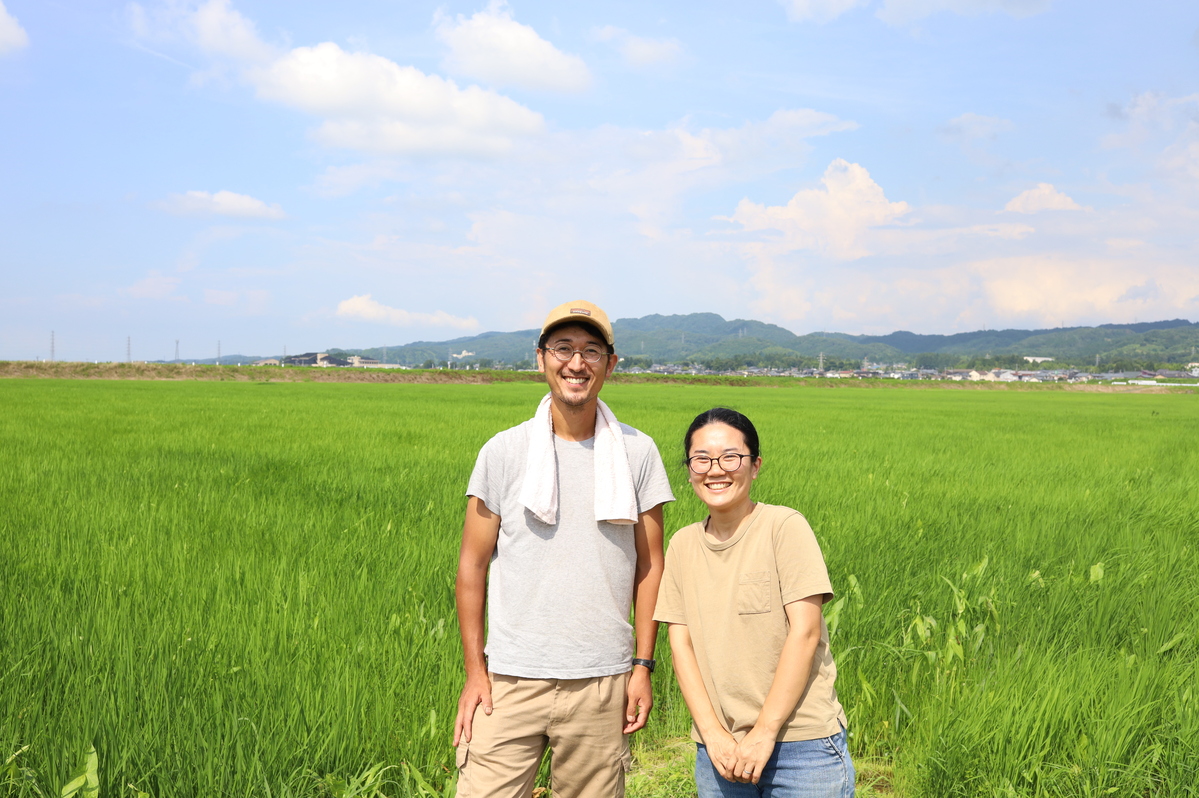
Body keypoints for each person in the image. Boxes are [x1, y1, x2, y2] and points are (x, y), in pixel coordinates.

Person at [453, 300, 675, 798]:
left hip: (602, 680)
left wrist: (643, 667)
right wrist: (474, 672)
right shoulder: (503, 451)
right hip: (509, 678)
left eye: (591, 351)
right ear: (541, 358)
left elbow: (651, 566)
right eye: (564, 349)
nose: (577, 363)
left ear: (610, 364)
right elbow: (471, 565)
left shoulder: (638, 453)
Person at [654, 407, 854, 798]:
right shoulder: (682, 545)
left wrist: (763, 733)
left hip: (801, 747)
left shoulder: (783, 527)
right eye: (702, 459)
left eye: (731, 457)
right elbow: (681, 644)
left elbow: (806, 631)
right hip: (720, 751)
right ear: (689, 468)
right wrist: (712, 734)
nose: (716, 470)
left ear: (755, 465)